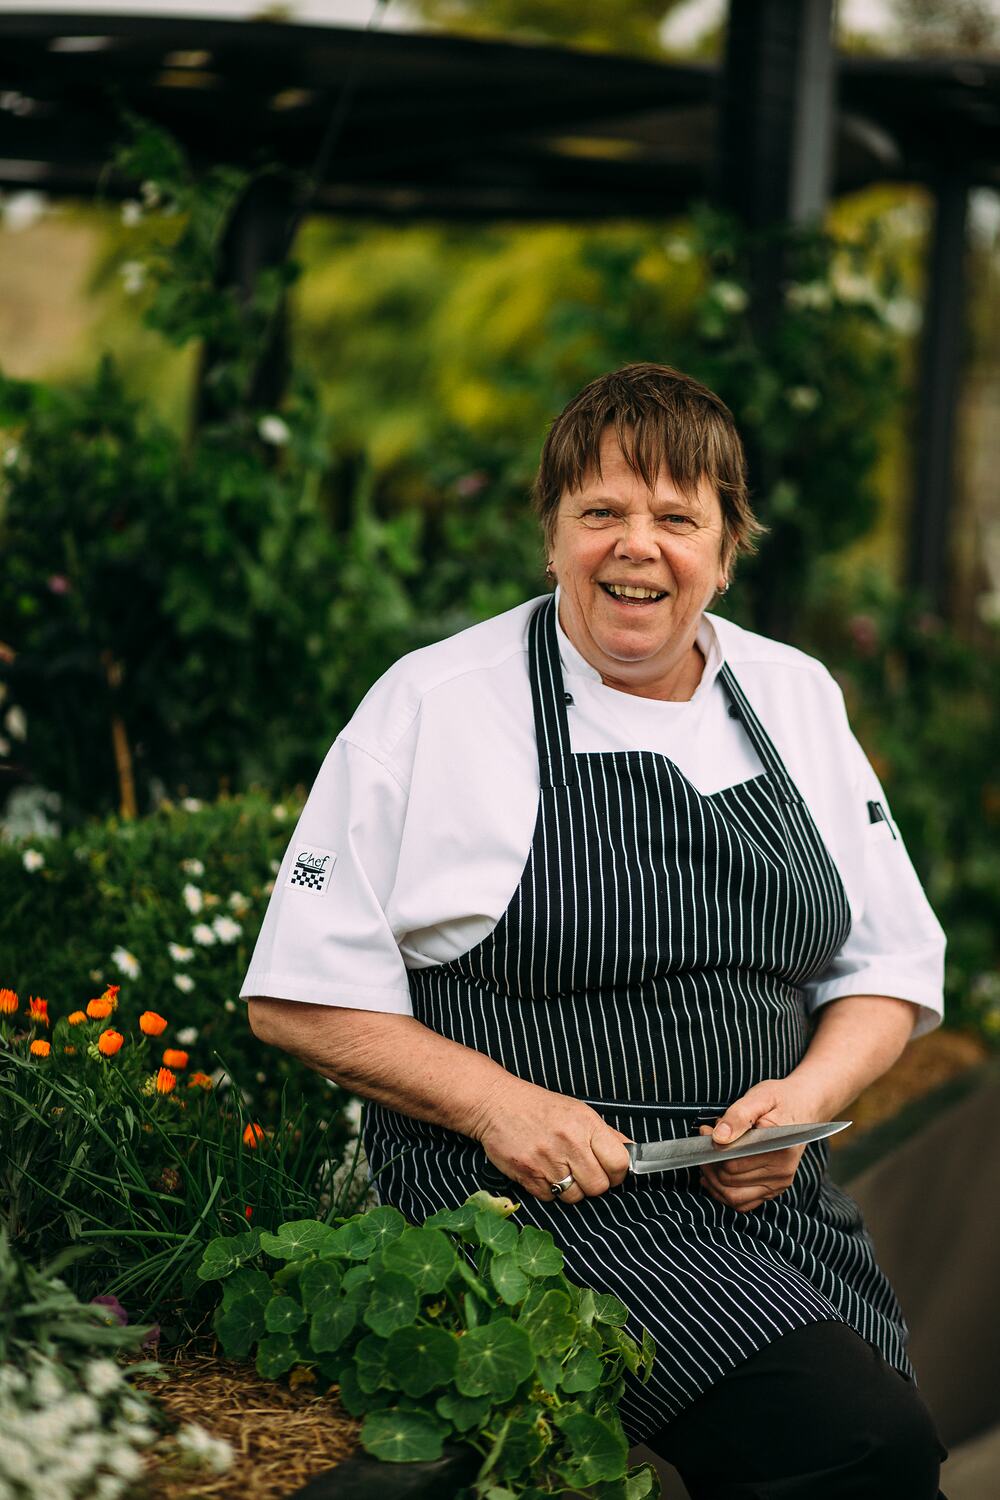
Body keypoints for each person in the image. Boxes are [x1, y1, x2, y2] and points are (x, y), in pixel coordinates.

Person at [243, 363, 950, 1498]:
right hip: (547, 1208)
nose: (637, 546)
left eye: (678, 517)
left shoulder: (794, 695)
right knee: (853, 1445)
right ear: (553, 534)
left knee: (884, 1444)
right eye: (602, 512)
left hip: (765, 1194)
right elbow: (298, 991)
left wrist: (807, 1098)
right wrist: (499, 1105)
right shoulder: (436, 704)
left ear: (725, 549)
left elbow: (889, 964)